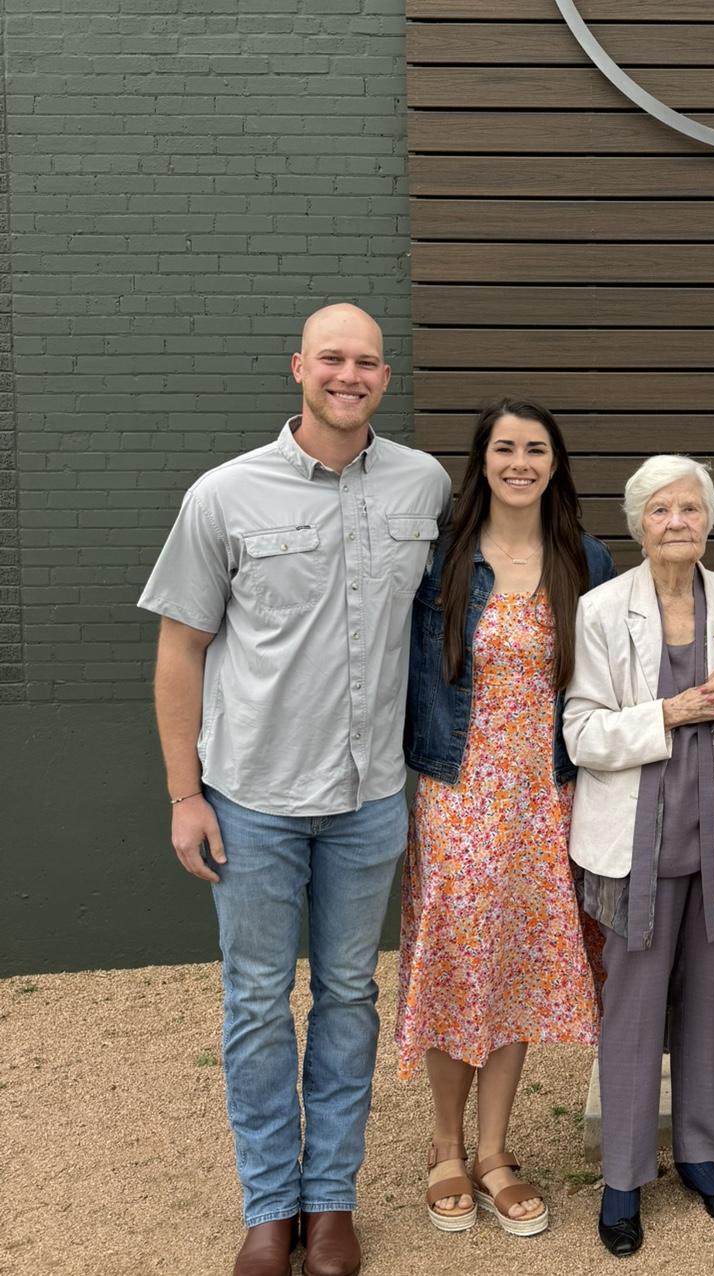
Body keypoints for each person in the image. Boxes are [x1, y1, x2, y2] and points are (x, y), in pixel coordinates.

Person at [139, 304, 451, 1276]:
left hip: (369, 801)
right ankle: (270, 1207)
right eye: (332, 359)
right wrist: (185, 795)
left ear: (384, 378)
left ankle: (330, 1204)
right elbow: (181, 648)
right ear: (299, 369)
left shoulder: (424, 485)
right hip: (253, 801)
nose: (348, 374)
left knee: (351, 996)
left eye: (366, 361)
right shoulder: (224, 495)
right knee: (257, 1002)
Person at [563, 456, 714, 1258]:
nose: (676, 522)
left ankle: (700, 1153)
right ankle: (624, 1178)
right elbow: (581, 731)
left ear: (709, 520)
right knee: (632, 1003)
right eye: (660, 510)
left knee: (705, 995)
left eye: (690, 508)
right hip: (636, 840)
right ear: (638, 524)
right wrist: (671, 711)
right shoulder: (601, 609)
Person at [397, 399, 615, 1236]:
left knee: (518, 965)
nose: (520, 462)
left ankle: (493, 1151)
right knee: (458, 960)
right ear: (481, 461)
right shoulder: (440, 559)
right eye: (505, 448)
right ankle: (445, 1145)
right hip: (458, 792)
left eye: (535, 449)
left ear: (555, 464)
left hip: (546, 796)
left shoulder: (584, 558)